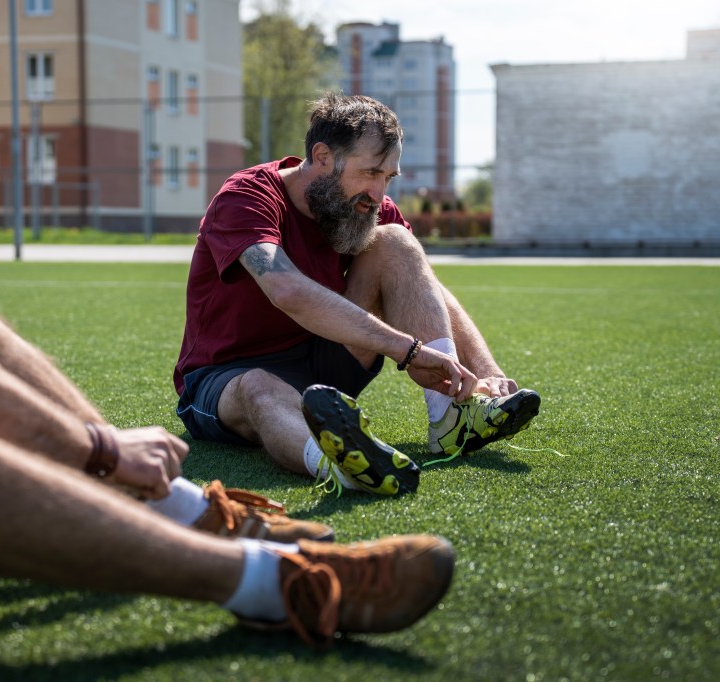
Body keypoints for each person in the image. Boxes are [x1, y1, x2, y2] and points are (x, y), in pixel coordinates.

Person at [0, 0, 455, 647]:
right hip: (227, 377)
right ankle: (269, 582)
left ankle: (188, 512)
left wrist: (468, 375)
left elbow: (415, 277)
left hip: (305, 364)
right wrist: (102, 451)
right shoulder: (250, 191)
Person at [175, 92, 541, 496]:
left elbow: (426, 288)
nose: (380, 192)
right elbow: (285, 289)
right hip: (226, 377)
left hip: (323, 364)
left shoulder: (367, 206)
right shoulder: (247, 196)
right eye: (370, 172)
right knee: (261, 387)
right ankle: (342, 465)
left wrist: (488, 372)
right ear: (324, 157)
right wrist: (408, 349)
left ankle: (451, 418)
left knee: (397, 243)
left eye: (388, 177)